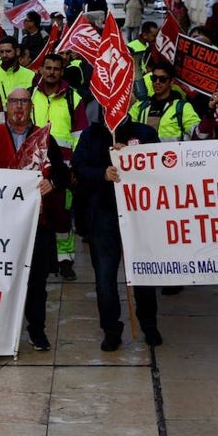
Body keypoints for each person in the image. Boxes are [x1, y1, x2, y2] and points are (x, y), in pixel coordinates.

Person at [0, 89, 68, 351]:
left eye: (24, 102)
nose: (19, 107)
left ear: (30, 106)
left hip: (36, 224)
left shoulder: (44, 139)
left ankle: (37, 331)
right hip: (1, 226)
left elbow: (62, 172)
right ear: (7, 106)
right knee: (0, 280)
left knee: (36, 281)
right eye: (14, 102)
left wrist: (52, 182)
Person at [73, 110, 162, 350]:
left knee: (144, 273)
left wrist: (133, 159)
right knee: (105, 276)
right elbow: (79, 167)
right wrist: (103, 172)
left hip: (137, 216)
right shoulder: (90, 136)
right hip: (102, 214)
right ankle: (111, 329)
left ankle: (149, 326)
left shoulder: (145, 133)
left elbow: (160, 166)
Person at [30, 53, 89, 281]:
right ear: (41, 70)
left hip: (62, 167)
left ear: (62, 71)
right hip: (34, 166)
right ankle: (36, 256)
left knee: (62, 214)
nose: (52, 72)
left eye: (56, 68)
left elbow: (79, 136)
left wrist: (75, 168)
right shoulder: (30, 94)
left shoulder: (73, 98)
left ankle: (64, 260)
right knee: (34, 212)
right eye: (48, 68)